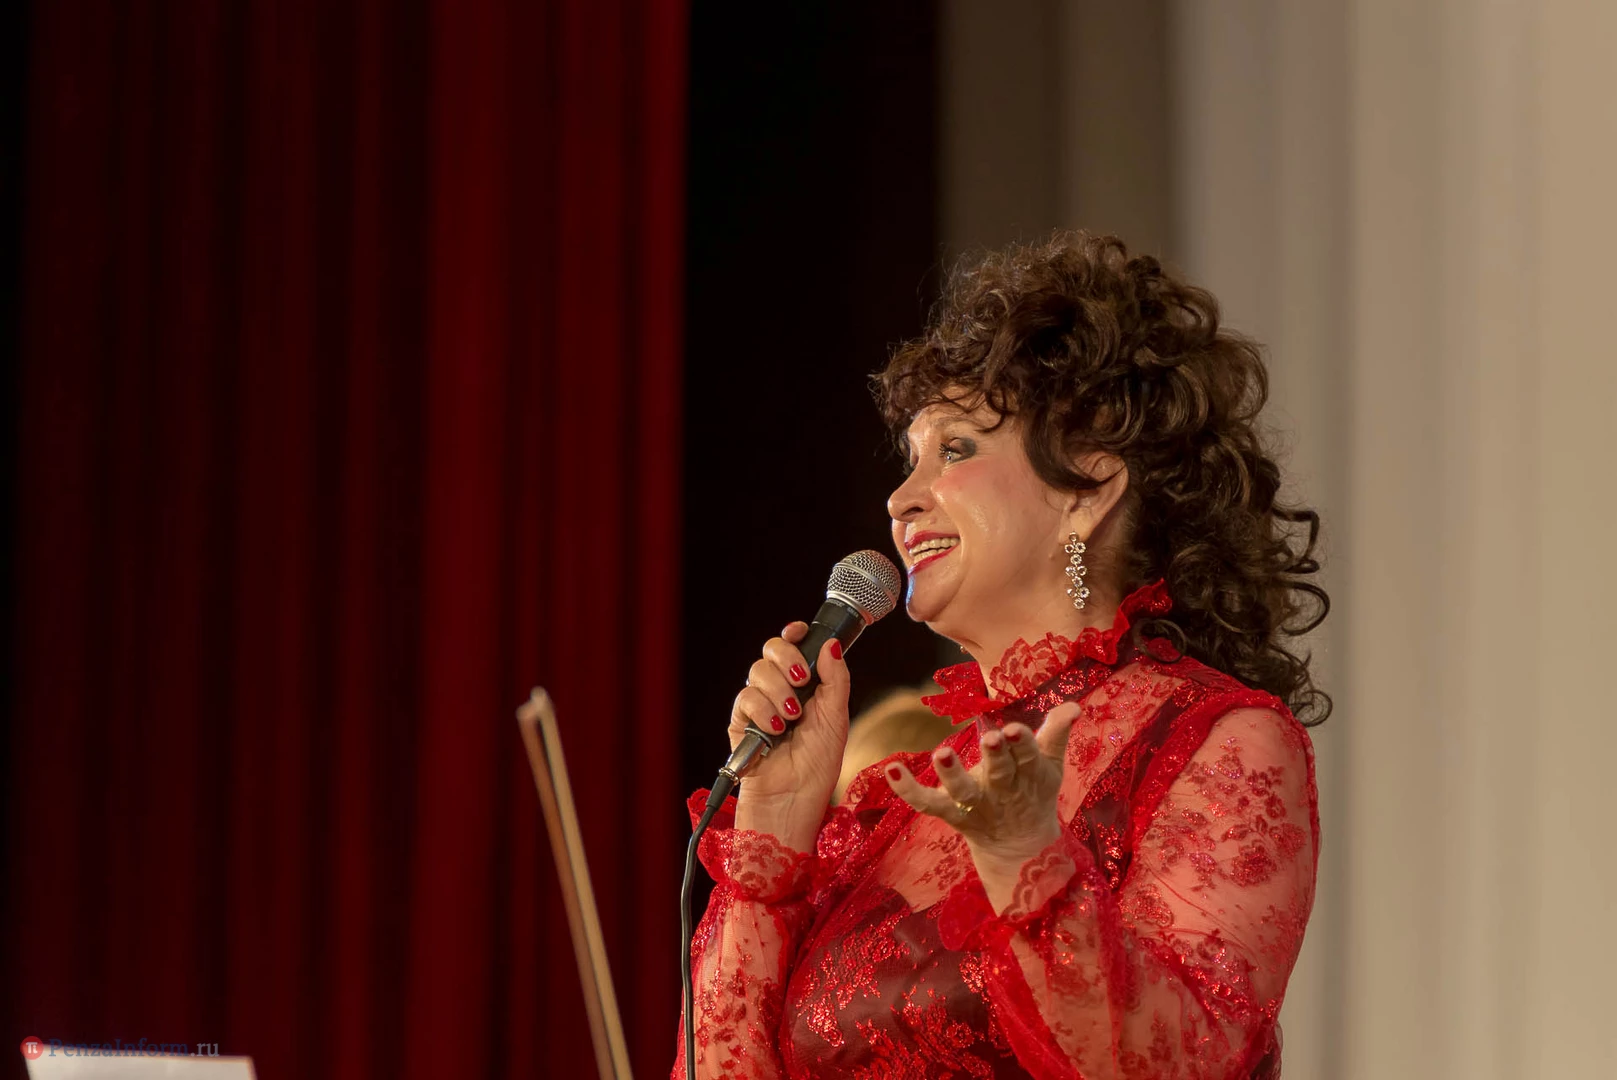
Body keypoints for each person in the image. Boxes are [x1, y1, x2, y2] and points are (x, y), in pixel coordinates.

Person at [676, 231, 1328, 1079]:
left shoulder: (1216, 738)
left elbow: (1182, 1062)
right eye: (909, 460)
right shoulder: (899, 800)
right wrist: (775, 829)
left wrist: (1031, 866)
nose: (900, 499)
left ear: (1087, 490)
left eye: (954, 449)